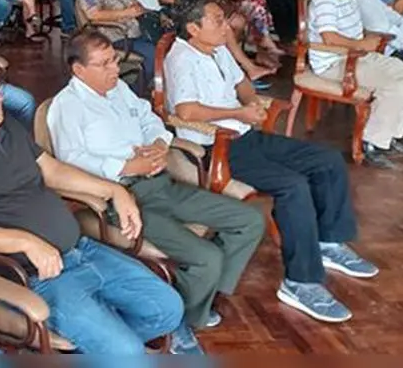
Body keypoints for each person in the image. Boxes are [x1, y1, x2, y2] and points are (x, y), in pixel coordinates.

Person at [0, 55, 185, 354]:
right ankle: (115, 350)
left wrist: (114, 191)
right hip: (36, 275)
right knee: (126, 350)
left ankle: (107, 349)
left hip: (80, 251)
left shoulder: (8, 129)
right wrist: (26, 241)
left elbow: (51, 170)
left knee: (169, 309)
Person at [165, 0, 378, 323]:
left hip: (245, 133)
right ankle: (300, 282)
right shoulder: (181, 58)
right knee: (293, 186)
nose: (225, 26)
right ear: (193, 28)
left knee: (327, 161)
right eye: (217, 20)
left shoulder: (218, 48)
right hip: (215, 147)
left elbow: (242, 84)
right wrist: (238, 111)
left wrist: (253, 104)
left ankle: (328, 242)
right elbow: (186, 111)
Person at [50, 29, 265, 351]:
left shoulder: (119, 88)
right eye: (104, 64)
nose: (114, 69)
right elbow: (70, 162)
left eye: (114, 60)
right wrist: (125, 167)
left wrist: (159, 145)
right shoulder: (67, 107)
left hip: (160, 183)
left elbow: (151, 119)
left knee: (249, 221)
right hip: (120, 198)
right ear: (78, 70)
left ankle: (199, 300)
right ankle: (181, 322)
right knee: (206, 257)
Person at [307, 0, 403, 164]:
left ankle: (389, 136)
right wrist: (361, 44)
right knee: (394, 88)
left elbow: (376, 22)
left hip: (359, 55)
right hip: (335, 62)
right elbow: (330, 38)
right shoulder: (325, 1)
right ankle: (370, 142)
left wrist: (368, 40)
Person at [78, 0, 156, 79]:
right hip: (116, 37)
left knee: (165, 46)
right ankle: (135, 91)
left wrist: (138, 8)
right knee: (154, 54)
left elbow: (136, 4)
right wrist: (126, 13)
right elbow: (94, 15)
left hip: (137, 31)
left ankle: (149, 84)